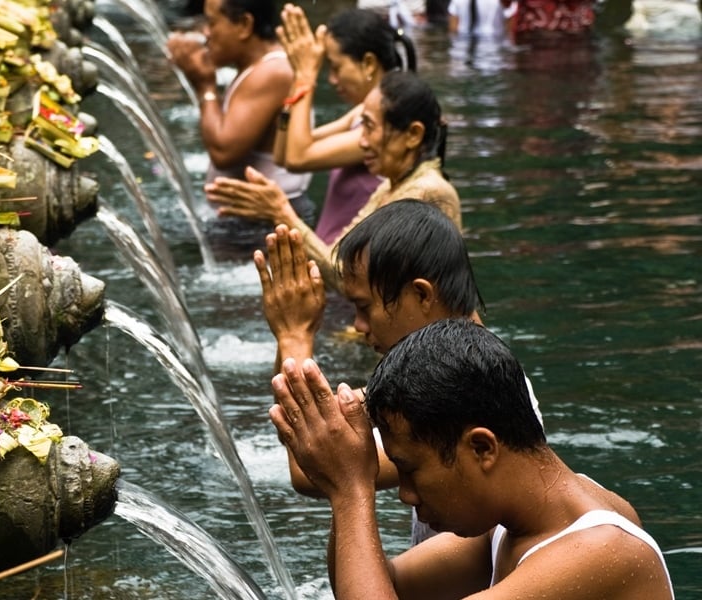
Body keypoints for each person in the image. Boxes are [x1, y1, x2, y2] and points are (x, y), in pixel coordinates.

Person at [269, 318, 675, 599]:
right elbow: (383, 585)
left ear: (482, 448)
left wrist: (350, 490)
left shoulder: (600, 552)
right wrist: (349, 470)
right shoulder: (514, 525)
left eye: (409, 469)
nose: (405, 495)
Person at [255, 200, 527, 545]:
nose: (359, 326)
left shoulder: (467, 396)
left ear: (421, 294)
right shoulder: (449, 374)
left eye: (365, 307)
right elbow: (324, 428)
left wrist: (294, 335)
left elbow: (314, 470)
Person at [207, 70, 460, 290]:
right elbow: (342, 259)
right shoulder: (392, 184)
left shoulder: (428, 192)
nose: (361, 141)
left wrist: (281, 212)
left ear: (413, 135)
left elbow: (348, 279)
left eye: (369, 127)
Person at [166, 0, 315, 237]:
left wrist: (205, 86)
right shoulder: (258, 66)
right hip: (251, 220)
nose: (206, 33)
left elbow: (224, 152)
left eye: (212, 22)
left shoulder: (271, 72)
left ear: (245, 25)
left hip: (261, 225)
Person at [273, 5, 417, 245]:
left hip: (347, 271)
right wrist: (298, 78)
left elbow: (298, 158)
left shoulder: (387, 125)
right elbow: (283, 153)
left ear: (369, 63)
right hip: (331, 264)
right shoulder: (361, 114)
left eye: (337, 67)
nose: (332, 79)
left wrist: (305, 77)